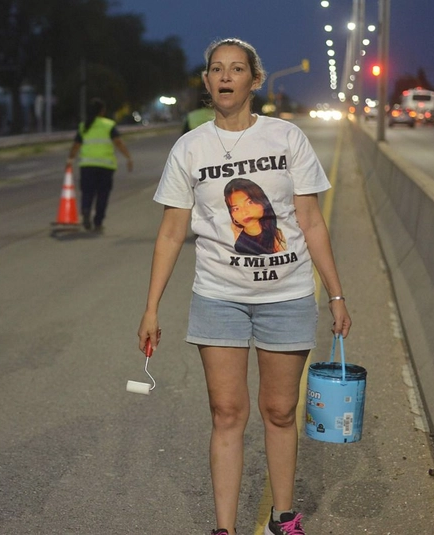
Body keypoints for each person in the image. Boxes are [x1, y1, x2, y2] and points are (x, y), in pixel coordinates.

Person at [136, 38, 352, 535]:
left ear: (255, 80)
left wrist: (335, 293)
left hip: (288, 295)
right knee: (227, 412)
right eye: (217, 69)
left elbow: (311, 222)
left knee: (280, 410)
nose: (226, 77)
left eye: (237, 69)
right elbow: (172, 231)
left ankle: (283, 518)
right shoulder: (189, 147)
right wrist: (151, 308)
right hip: (218, 297)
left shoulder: (287, 139)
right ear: (208, 82)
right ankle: (225, 528)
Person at [66, 98, 133, 231]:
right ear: (102, 111)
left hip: (87, 165)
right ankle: (98, 221)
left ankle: (85, 210)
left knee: (87, 192)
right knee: (103, 194)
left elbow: (76, 145)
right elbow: (118, 142)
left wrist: (70, 160)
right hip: (105, 166)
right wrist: (128, 157)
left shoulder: (84, 126)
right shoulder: (108, 125)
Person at [224, 178, 287, 255]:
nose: (244, 212)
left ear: (261, 201)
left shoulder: (279, 234)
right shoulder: (235, 239)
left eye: (249, 202)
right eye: (236, 208)